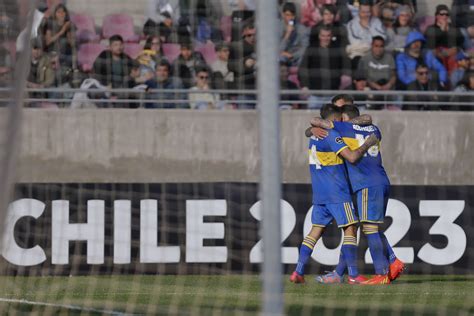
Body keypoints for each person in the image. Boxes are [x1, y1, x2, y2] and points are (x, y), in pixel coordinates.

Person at [308, 103, 405, 284]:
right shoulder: (374, 129)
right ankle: (392, 261)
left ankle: (382, 273)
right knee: (370, 227)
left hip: (365, 184)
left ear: (345, 118)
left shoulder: (344, 127)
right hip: (381, 180)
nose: (339, 121)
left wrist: (316, 127)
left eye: (341, 118)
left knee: (368, 228)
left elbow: (316, 121)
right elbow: (367, 118)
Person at [290, 104, 379, 284]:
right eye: (338, 120)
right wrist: (368, 143)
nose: (340, 123)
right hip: (337, 191)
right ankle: (353, 275)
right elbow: (352, 157)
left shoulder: (314, 137)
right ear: (331, 120)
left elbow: (310, 131)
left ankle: (298, 271)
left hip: (319, 192)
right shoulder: (331, 135)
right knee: (350, 228)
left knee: (315, 231)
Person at [298, 26, 350, 109]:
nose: (325, 38)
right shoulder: (311, 49)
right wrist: (305, 85)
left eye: (328, 35)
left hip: (333, 94)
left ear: (331, 36)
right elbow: (303, 68)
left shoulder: (337, 49)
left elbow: (346, 67)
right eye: (323, 35)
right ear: (319, 36)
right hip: (315, 94)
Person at [357, 36, 396, 109]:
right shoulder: (365, 59)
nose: (379, 49)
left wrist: (388, 85)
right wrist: (377, 87)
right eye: (376, 46)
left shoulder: (389, 58)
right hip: (370, 89)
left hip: (387, 88)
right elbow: (364, 77)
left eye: (381, 46)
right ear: (372, 46)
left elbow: (393, 76)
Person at [424, 4, 465, 74]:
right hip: (438, 52)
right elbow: (430, 44)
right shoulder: (431, 28)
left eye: (446, 14)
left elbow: (461, 40)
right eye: (442, 14)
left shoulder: (453, 27)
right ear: (437, 16)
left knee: (457, 60)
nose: (444, 16)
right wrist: (442, 30)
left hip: (452, 52)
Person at [345, 0, 386, 69]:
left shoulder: (376, 21)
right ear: (358, 11)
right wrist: (372, 43)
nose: (366, 15)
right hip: (358, 54)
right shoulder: (351, 24)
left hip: (375, 52)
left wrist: (368, 26)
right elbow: (354, 42)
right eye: (363, 12)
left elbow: (383, 38)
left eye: (368, 12)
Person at [228, 22, 257, 108]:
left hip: (262, 90)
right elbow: (230, 66)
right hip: (245, 90)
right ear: (243, 34)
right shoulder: (236, 47)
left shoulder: (263, 46)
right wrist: (244, 64)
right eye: (249, 35)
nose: (252, 37)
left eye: (254, 35)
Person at [43, 3, 76, 69]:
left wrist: (69, 31)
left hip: (64, 52)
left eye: (63, 12)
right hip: (52, 49)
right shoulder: (50, 23)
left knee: (63, 42)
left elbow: (72, 43)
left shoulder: (68, 24)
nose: (61, 14)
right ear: (55, 14)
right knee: (62, 41)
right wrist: (62, 31)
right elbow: (48, 42)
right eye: (59, 12)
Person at [279, 2, 306, 67]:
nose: (290, 18)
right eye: (288, 15)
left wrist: (292, 55)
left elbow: (305, 48)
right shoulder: (277, 27)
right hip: (281, 57)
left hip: (295, 57)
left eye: (292, 15)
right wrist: (287, 34)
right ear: (283, 15)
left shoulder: (301, 28)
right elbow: (277, 49)